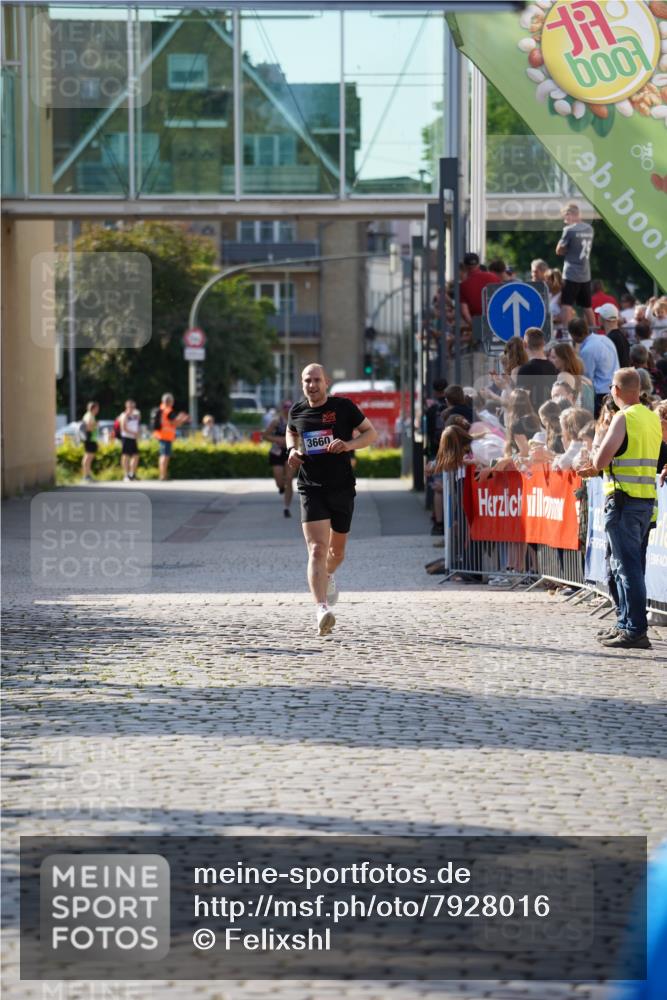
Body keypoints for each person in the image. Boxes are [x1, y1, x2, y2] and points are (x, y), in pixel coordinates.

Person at [286, 364, 377, 636]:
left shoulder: (344, 407)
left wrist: (348, 445)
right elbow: (292, 431)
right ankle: (322, 609)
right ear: (301, 383)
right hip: (311, 486)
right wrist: (292, 449)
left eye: (316, 380)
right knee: (316, 549)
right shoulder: (297, 410)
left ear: (326, 382)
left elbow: (371, 434)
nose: (311, 385)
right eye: (306, 381)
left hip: (341, 487)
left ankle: (328, 576)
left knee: (336, 554)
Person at [576, 367, 662, 650]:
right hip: (645, 502)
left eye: (612, 387)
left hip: (623, 502)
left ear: (616, 390)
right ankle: (626, 623)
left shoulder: (623, 417)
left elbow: (601, 460)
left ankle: (635, 629)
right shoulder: (651, 417)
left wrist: (592, 464)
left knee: (627, 569)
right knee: (623, 566)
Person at [555, 202, 595, 329]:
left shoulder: (569, 230)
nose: (565, 221)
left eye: (565, 217)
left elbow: (559, 250)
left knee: (566, 304)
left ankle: (567, 334)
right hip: (585, 273)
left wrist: (566, 249)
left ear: (570, 214)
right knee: (587, 306)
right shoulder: (589, 229)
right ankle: (594, 330)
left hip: (571, 272)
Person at [568, 317, 619, 417]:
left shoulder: (588, 350)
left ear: (574, 335)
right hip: (614, 389)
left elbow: (587, 378)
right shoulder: (605, 339)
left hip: (601, 395)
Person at [263, 400, 295, 519]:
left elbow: (303, 436)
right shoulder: (277, 421)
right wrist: (277, 439)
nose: (287, 410)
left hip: (291, 451)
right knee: (279, 478)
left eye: (290, 407)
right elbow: (265, 436)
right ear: (282, 409)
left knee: (289, 479)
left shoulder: (297, 422)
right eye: (285, 407)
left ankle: (286, 507)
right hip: (277, 452)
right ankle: (281, 487)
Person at [515, 327, 558, 410]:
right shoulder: (553, 367)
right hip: (550, 415)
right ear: (543, 343)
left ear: (524, 344)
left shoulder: (526, 369)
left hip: (532, 418)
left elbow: (521, 399)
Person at [547, 341, 595, 412]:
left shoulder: (563, 376)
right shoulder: (580, 377)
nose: (550, 360)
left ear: (564, 359)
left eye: (554, 357)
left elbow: (562, 402)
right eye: (549, 357)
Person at [153, 393, 189, 481]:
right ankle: (163, 475)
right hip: (166, 436)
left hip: (162, 435)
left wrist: (179, 420)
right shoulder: (168, 410)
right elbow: (174, 423)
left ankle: (162, 474)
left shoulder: (161, 409)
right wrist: (182, 419)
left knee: (163, 455)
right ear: (170, 401)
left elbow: (171, 423)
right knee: (165, 456)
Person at [459, 251, 501, 325]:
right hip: (497, 322)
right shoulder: (493, 277)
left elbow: (464, 312)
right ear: (478, 264)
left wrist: (474, 327)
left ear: (465, 266)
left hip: (478, 323)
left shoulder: (463, 285)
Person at [595, 302, 630, 368]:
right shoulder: (622, 337)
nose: (598, 318)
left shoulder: (608, 340)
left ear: (602, 318)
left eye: (599, 316)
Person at [119, 398, 141, 482]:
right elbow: (123, 428)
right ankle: (126, 474)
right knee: (126, 456)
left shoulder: (135, 415)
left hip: (133, 438)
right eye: (130, 406)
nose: (132, 408)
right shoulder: (124, 415)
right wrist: (134, 433)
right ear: (127, 406)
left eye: (133, 406)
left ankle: (132, 474)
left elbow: (137, 425)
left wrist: (137, 433)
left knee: (136, 455)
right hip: (126, 438)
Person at [80, 401, 100, 483]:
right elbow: (88, 428)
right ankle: (86, 476)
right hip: (90, 439)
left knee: (88, 458)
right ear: (93, 408)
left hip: (91, 439)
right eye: (97, 408)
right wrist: (96, 425)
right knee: (88, 458)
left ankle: (87, 475)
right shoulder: (89, 416)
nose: (98, 410)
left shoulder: (90, 415)